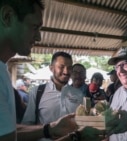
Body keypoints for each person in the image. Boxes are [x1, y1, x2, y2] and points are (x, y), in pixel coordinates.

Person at [0, 1, 105, 141]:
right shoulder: (37, 92)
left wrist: (50, 129)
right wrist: (76, 136)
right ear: (7, 16)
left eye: (69, 67)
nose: (39, 37)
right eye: (34, 27)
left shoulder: (3, 71)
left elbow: (10, 132)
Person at [22, 51, 84, 140]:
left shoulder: (78, 94)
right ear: (51, 68)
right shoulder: (37, 92)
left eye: (69, 68)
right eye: (61, 67)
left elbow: (82, 122)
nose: (66, 72)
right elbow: (27, 124)